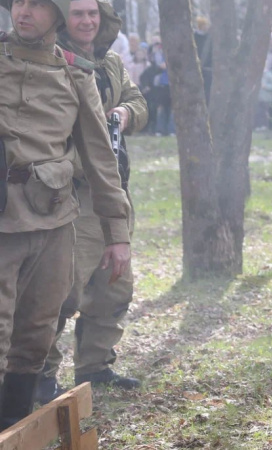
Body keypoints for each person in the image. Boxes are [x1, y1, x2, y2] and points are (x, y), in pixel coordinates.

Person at [0, 0, 132, 428]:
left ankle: (14, 422)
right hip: (2, 220)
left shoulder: (77, 73)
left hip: (55, 220)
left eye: (37, 5)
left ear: (56, 15)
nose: (24, 12)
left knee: (37, 331)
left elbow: (100, 159)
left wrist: (117, 233)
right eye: (19, 2)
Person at [34, 0, 148, 405]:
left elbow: (140, 103)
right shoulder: (52, 60)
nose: (87, 21)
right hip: (73, 195)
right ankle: (39, 378)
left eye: (93, 14)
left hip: (114, 191)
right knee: (61, 293)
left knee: (114, 288)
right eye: (79, 14)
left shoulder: (111, 62)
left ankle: (95, 366)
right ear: (65, 18)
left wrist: (124, 112)